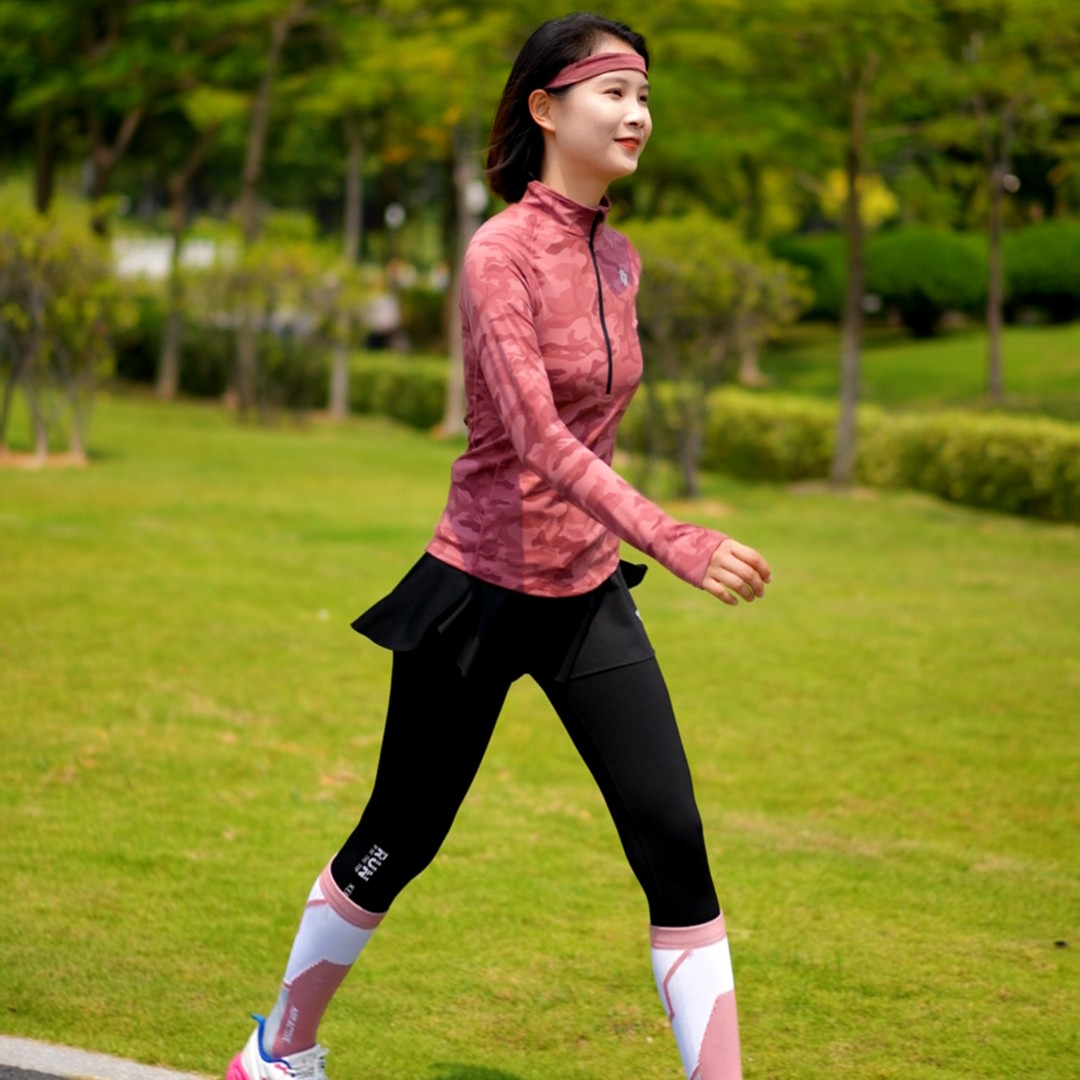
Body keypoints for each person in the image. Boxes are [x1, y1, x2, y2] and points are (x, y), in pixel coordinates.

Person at [227, 12, 771, 1080]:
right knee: (400, 837)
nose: (638, 114)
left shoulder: (621, 261)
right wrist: (676, 536)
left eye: (646, 96)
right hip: (474, 593)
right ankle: (277, 1052)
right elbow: (535, 435)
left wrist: (632, 547)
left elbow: (597, 431)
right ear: (544, 108)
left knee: (674, 842)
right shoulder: (498, 255)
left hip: (584, 601)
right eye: (615, 92)